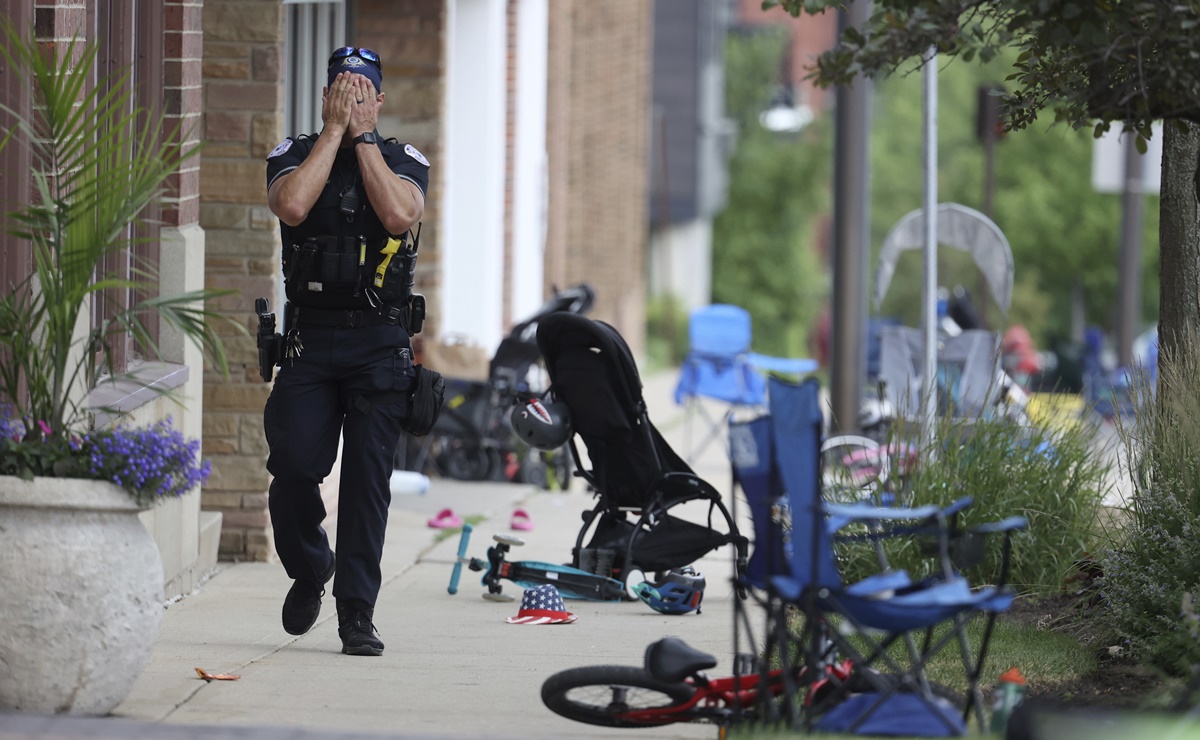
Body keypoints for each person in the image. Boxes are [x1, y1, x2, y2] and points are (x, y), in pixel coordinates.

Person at [263, 47, 430, 656]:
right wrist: (334, 132)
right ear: (327, 95)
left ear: (380, 100)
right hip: (310, 341)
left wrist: (361, 139)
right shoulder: (293, 154)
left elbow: (395, 213)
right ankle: (311, 569)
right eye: (343, 88)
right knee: (293, 470)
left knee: (367, 484)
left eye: (364, 90)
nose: (354, 97)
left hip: (378, 343)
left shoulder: (401, 160)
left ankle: (357, 613)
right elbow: (293, 206)